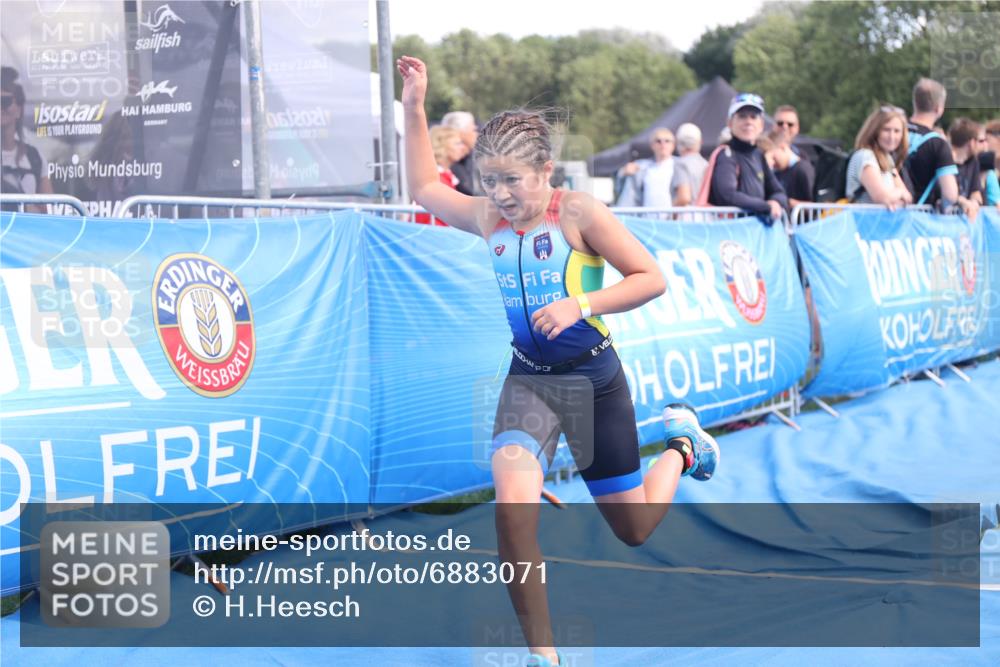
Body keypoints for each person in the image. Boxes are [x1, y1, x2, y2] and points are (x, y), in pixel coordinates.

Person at [397, 55, 719, 667]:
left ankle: (683, 448)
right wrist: (414, 106)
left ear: (546, 170)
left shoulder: (579, 213)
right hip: (530, 385)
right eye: (490, 180)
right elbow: (425, 188)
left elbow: (651, 278)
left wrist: (581, 303)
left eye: (514, 180)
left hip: (594, 380)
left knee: (635, 528)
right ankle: (545, 657)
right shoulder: (489, 216)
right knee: (513, 519)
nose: (500, 194)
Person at [903, 77, 978, 219]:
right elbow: (950, 194)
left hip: (884, 215)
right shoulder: (938, 144)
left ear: (915, 102)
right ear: (939, 108)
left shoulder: (894, 131)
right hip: (918, 220)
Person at [708, 93, 788, 222]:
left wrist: (775, 202)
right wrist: (765, 207)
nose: (748, 121)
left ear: (761, 125)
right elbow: (727, 195)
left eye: (753, 116)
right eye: (742, 116)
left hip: (755, 233)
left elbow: (779, 192)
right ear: (730, 123)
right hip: (731, 233)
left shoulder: (759, 155)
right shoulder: (726, 155)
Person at [1, 66, 53, 212]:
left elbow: (49, 211)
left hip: (24, 233)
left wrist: (28, 209)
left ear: (19, 109)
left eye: (5, 101)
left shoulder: (34, 158)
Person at [845, 106, 913, 209]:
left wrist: (897, 196)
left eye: (897, 131)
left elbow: (908, 198)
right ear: (874, 131)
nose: (891, 136)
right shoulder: (865, 156)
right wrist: (899, 193)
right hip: (863, 223)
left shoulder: (887, 159)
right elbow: (882, 198)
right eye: (886, 130)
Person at [614, 128, 690, 208]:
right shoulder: (641, 166)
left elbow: (685, 197)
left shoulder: (680, 165)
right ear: (652, 145)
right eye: (658, 141)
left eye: (667, 141)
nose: (663, 144)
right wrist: (623, 173)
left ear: (673, 145)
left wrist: (670, 212)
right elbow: (624, 191)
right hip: (647, 218)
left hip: (669, 218)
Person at [413, 125, 466, 225]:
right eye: (457, 144)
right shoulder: (437, 179)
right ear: (443, 147)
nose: (463, 147)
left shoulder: (444, 176)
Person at [766, 128, 814, 208]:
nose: (772, 163)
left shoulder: (803, 169)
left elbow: (816, 206)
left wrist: (787, 202)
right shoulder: (777, 172)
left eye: (773, 157)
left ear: (782, 147)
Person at [442, 110, 478, 196]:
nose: (476, 134)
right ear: (460, 132)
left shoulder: (474, 157)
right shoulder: (445, 162)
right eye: (473, 130)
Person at [948, 118, 984, 206]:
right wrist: (962, 201)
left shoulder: (973, 161)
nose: (982, 145)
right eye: (980, 141)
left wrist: (975, 202)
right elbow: (941, 192)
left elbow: (976, 191)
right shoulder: (945, 161)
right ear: (971, 142)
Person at [675, 122, 708, 203]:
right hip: (707, 213)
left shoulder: (681, 164)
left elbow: (684, 198)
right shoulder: (706, 164)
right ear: (700, 142)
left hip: (687, 213)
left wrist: (670, 214)